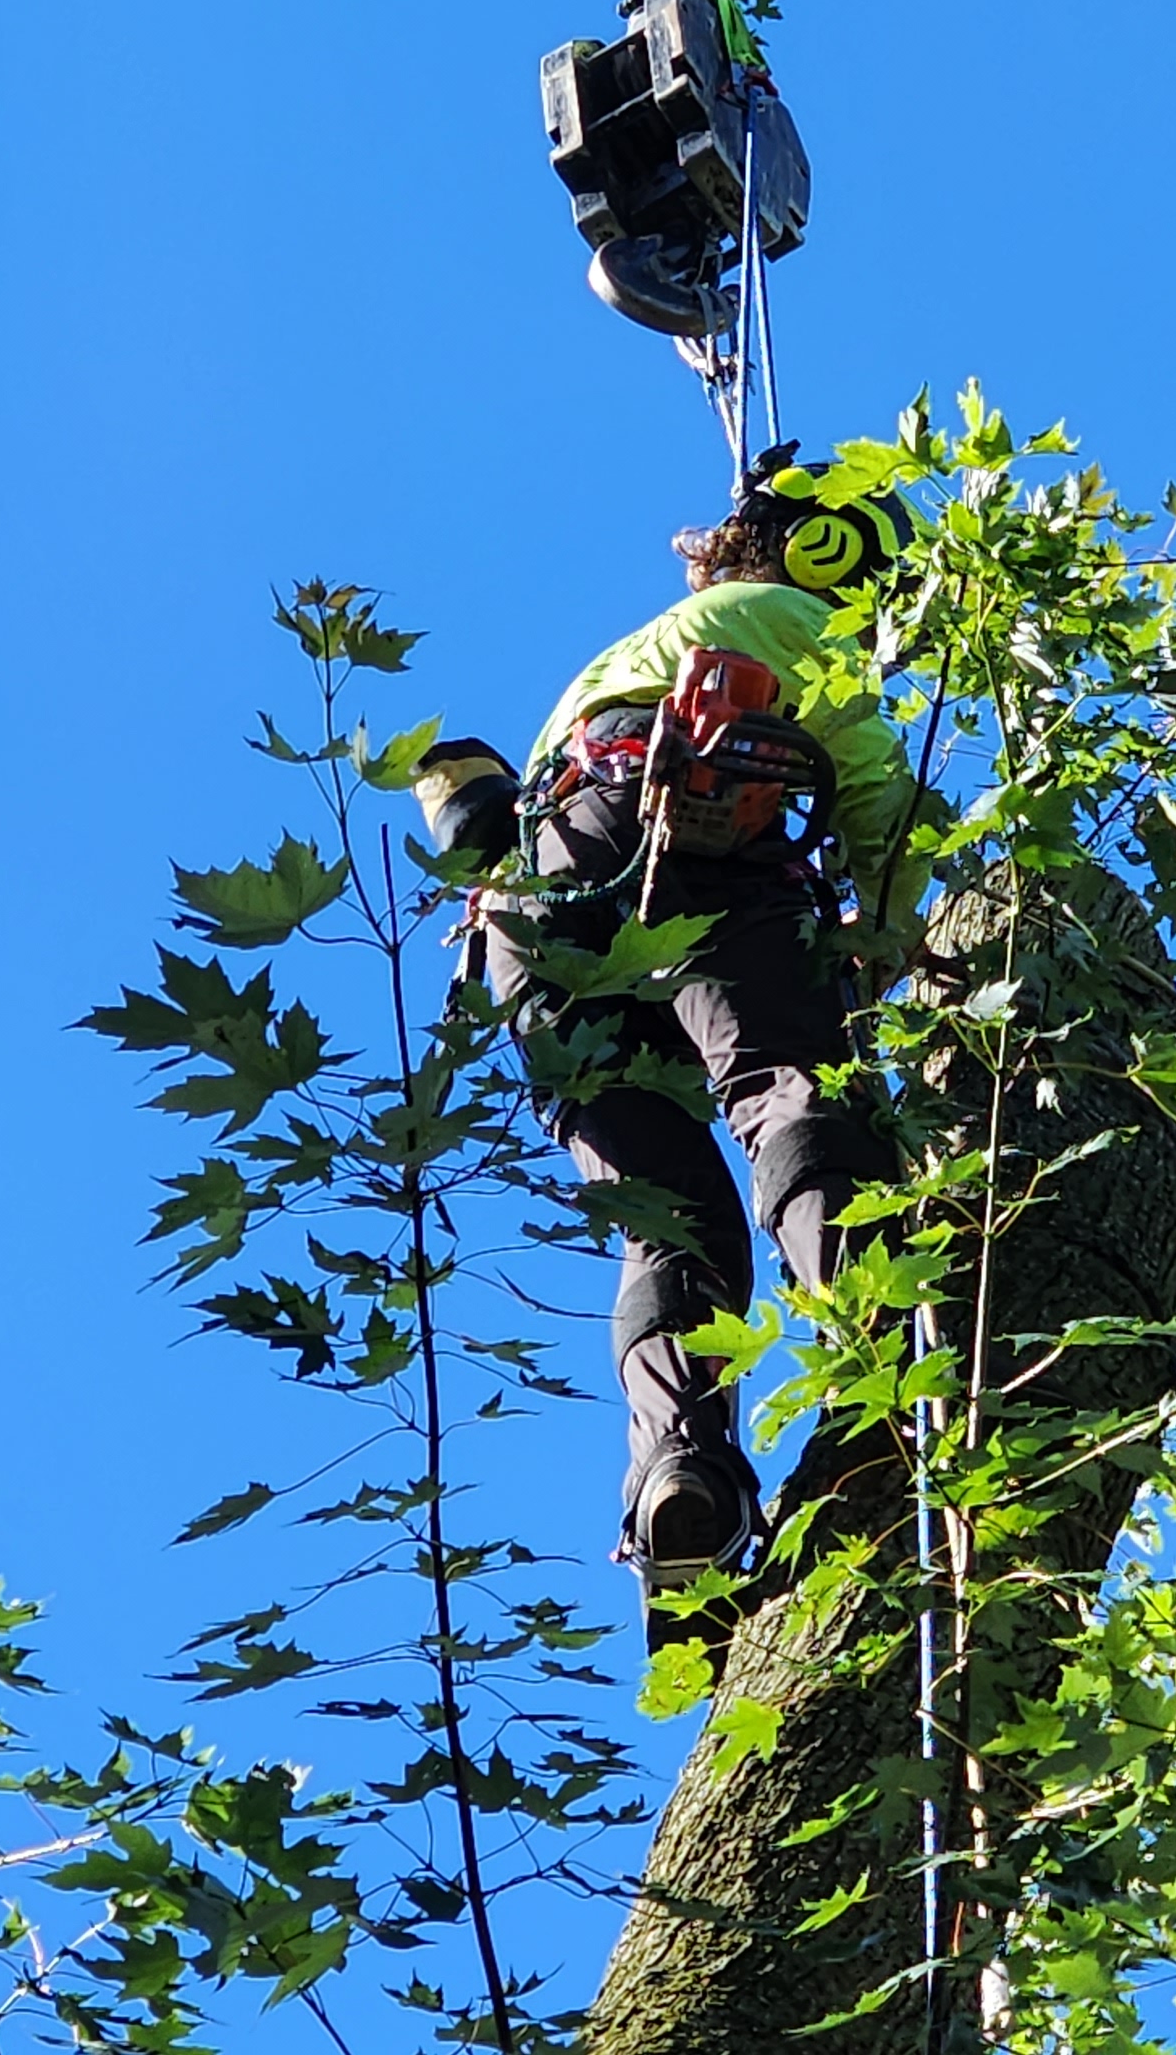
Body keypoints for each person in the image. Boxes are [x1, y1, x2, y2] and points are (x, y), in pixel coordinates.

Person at [424, 452, 926, 1592]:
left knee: (671, 1219)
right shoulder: (795, 616)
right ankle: (883, 1323)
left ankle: (677, 1481)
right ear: (831, 551)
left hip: (537, 920)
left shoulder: (611, 661)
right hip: (685, 837)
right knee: (786, 1086)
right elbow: (874, 795)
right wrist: (892, 946)